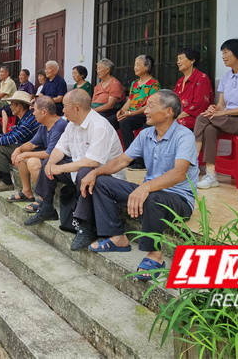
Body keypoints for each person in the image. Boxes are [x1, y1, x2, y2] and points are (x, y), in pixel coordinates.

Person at [82, 90, 198, 281]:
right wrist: (94, 172)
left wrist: (145, 187)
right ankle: (117, 237)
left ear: (168, 111)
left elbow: (179, 173)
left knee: (152, 196)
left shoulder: (184, 136)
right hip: (149, 192)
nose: (145, 110)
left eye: (151, 106)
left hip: (179, 199)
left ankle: (155, 254)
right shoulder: (146, 134)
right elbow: (121, 161)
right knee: (102, 182)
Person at [42, 89, 125, 250]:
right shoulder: (71, 124)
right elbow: (60, 148)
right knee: (46, 162)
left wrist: (60, 168)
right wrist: (52, 163)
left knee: (86, 172)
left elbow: (92, 161)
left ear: (77, 108)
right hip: (79, 174)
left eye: (65, 106)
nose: (63, 110)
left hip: (104, 178)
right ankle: (45, 206)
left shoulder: (99, 126)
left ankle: (86, 228)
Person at [195, 39, 238, 189]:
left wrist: (223, 113)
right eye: (223, 53)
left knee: (202, 118)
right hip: (226, 119)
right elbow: (221, 104)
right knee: (209, 128)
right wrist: (214, 109)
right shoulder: (226, 76)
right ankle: (211, 174)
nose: (223, 56)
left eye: (226, 52)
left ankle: (191, 162)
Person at [8, 95, 67, 211]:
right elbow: (32, 144)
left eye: (34, 110)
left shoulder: (60, 125)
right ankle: (27, 192)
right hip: (50, 160)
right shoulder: (44, 126)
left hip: (62, 162)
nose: (33, 113)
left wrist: (25, 154)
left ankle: (42, 199)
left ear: (44, 112)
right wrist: (19, 150)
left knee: (32, 162)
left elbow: (49, 154)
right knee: (21, 158)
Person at [0, 91, 40, 191]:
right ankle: (0, 175)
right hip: (23, 146)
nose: (10, 107)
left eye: (12, 104)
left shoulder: (29, 119)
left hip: (32, 149)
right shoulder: (24, 118)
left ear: (19, 106)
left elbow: (13, 138)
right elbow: (12, 133)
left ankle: (7, 182)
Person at [117, 55, 159, 150]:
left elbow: (150, 105)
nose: (135, 67)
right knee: (112, 120)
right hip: (131, 113)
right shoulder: (134, 83)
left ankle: (132, 154)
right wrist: (122, 110)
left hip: (145, 114)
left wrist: (131, 113)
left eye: (138, 65)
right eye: (135, 65)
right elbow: (130, 100)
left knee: (125, 122)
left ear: (147, 67)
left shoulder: (153, 84)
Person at [173, 48, 213, 130]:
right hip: (178, 116)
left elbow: (200, 105)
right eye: (177, 59)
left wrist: (176, 117)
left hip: (194, 117)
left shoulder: (202, 78)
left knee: (173, 125)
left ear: (192, 61)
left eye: (181, 58)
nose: (178, 62)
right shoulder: (180, 81)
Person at [91, 58, 125, 128]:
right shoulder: (98, 85)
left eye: (99, 69)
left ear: (107, 70)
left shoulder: (115, 84)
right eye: (97, 69)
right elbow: (93, 101)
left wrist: (93, 111)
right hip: (96, 110)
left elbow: (110, 105)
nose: (97, 71)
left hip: (109, 112)